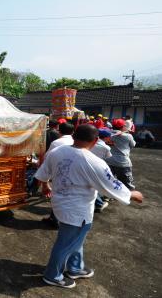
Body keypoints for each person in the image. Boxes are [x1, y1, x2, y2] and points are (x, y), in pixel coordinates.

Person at [35, 124, 143, 289]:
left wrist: (45, 186)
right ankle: (53, 275)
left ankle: (75, 268)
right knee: (66, 243)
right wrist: (131, 194)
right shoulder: (93, 161)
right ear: (95, 141)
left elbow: (43, 173)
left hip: (60, 203)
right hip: (77, 209)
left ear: (74, 136)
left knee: (75, 239)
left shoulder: (57, 152)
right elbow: (110, 184)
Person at [42, 122, 75, 227]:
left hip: (60, 171)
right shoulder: (75, 141)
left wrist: (45, 182)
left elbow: (47, 158)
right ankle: (57, 218)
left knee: (58, 195)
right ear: (73, 132)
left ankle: (56, 219)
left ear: (59, 130)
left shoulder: (56, 143)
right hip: (73, 172)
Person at [106, 119, 136, 190]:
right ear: (122, 126)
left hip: (109, 160)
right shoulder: (128, 136)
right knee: (126, 183)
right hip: (122, 162)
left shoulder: (108, 134)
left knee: (109, 181)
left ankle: (108, 196)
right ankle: (127, 197)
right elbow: (133, 145)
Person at [91, 128, 113, 212]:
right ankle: (99, 203)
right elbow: (108, 157)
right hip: (98, 167)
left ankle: (99, 200)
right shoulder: (106, 147)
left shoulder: (91, 142)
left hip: (87, 164)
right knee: (94, 186)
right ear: (107, 137)